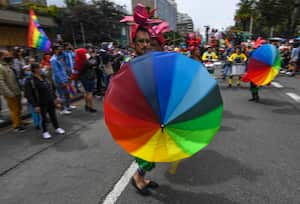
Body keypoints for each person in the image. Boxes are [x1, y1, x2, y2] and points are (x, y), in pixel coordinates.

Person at [24, 63, 65, 139]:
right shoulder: (30, 80)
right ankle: (45, 132)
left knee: (53, 115)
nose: (41, 69)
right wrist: (35, 105)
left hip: (49, 100)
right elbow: (28, 95)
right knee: (43, 118)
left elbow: (49, 88)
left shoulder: (43, 76)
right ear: (34, 69)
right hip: (40, 102)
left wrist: (55, 98)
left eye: (40, 68)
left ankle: (57, 128)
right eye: (39, 68)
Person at [0, 50, 25, 132]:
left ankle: (20, 122)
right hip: (11, 93)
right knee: (14, 109)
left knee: (19, 108)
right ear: (1, 57)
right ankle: (16, 126)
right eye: (6, 55)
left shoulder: (9, 65)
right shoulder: (1, 67)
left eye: (9, 54)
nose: (9, 56)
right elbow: (1, 82)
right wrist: (9, 93)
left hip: (17, 90)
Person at [50, 45, 76, 115]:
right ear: (55, 50)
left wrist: (67, 77)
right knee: (62, 95)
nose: (60, 50)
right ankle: (63, 109)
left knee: (67, 93)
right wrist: (62, 81)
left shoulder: (58, 58)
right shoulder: (53, 60)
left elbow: (62, 69)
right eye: (58, 49)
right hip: (59, 80)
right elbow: (56, 72)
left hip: (64, 78)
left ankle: (68, 106)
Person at [75, 48, 97, 113]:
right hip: (89, 78)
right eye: (84, 53)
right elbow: (94, 63)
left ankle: (87, 105)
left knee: (85, 92)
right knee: (90, 93)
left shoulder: (78, 61)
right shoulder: (85, 61)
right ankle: (91, 107)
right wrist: (93, 56)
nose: (85, 54)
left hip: (82, 78)